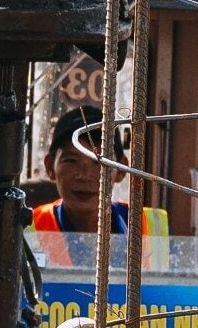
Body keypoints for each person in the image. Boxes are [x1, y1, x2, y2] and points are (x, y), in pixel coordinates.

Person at [30, 106, 166, 268]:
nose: (84, 175)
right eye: (71, 161)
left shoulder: (151, 226)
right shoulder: (28, 229)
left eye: (100, 163)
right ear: (50, 167)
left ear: (121, 169)